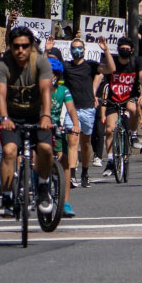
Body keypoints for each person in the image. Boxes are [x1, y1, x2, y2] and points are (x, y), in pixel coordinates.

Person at [0, 26, 57, 217]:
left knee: (46, 149)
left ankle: (43, 188)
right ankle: (6, 197)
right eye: (16, 46)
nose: (20, 50)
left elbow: (46, 90)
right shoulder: (1, 65)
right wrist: (4, 118)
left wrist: (46, 116)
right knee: (8, 151)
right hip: (11, 117)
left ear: (31, 46)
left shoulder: (41, 63)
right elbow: (0, 94)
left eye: (25, 46)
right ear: (10, 47)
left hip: (37, 115)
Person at [99, 36, 142, 178]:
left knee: (133, 109)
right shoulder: (112, 62)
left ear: (132, 50)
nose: (125, 51)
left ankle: (133, 134)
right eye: (122, 49)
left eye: (127, 49)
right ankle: (110, 161)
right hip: (113, 98)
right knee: (109, 130)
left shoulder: (137, 61)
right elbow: (101, 74)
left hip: (129, 96)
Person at [58, 37, 101, 188]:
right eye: (74, 47)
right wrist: (47, 50)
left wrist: (106, 50)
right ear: (70, 50)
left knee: (86, 142)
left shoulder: (90, 66)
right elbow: (49, 68)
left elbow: (109, 69)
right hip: (72, 109)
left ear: (84, 49)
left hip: (88, 108)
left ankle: (85, 172)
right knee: (72, 141)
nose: (77, 50)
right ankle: (72, 174)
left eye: (79, 47)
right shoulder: (67, 66)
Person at [48, 56, 80, 217]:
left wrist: (76, 124)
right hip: (41, 128)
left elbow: (71, 109)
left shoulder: (63, 90)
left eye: (53, 73)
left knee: (65, 162)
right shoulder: (38, 90)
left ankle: (65, 201)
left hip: (57, 128)